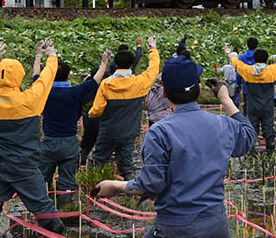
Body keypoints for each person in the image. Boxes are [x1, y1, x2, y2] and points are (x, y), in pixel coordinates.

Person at [93, 55, 256, 238]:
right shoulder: (222, 124)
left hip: (176, 227)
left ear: (164, 93)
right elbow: (249, 137)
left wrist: (115, 185)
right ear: (200, 89)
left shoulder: (159, 133)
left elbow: (150, 186)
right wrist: (226, 100)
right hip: (215, 225)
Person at [0, 39, 65, 237]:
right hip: (25, 167)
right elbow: (46, 79)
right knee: (44, 209)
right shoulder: (30, 100)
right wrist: (51, 56)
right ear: (19, 76)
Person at [36, 43, 110, 207]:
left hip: (48, 143)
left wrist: (39, 56)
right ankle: (66, 210)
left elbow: (36, 77)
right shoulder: (74, 92)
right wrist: (104, 62)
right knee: (68, 181)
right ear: (68, 76)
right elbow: (95, 81)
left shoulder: (44, 91)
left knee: (42, 178)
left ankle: (42, 209)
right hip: (69, 143)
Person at [89, 36, 160, 180]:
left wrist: (90, 114)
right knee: (127, 163)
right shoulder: (139, 83)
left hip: (109, 131)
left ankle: (91, 188)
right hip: (129, 131)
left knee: (98, 160)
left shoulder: (106, 84)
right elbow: (153, 69)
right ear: (132, 64)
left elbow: (97, 110)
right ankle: (130, 190)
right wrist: (153, 49)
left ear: (115, 64)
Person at [227, 42, 276, 152]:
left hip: (252, 107)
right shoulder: (272, 70)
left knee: (252, 128)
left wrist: (228, 52)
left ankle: (251, 150)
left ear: (255, 58)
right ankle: (270, 148)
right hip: (268, 106)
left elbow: (235, 63)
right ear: (266, 59)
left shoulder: (247, 70)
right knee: (268, 128)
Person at [237, 37, 259, 112]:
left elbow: (238, 72)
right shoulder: (259, 56)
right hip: (258, 86)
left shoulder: (242, 57)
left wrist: (238, 83)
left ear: (247, 45)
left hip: (246, 86)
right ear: (257, 46)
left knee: (246, 107)